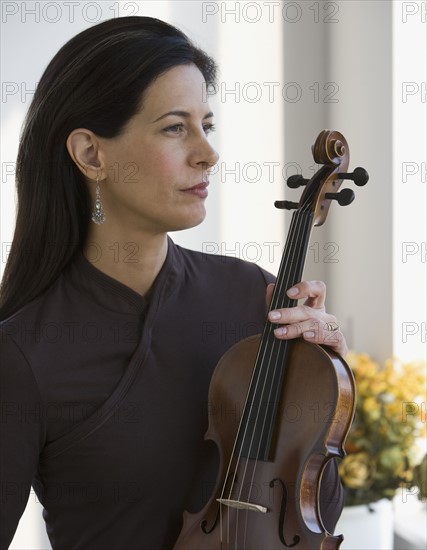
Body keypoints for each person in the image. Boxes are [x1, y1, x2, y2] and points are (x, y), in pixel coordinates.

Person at [0, 16, 347, 550]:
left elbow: (312, 518)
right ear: (92, 154)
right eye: (174, 127)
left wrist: (324, 380)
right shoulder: (22, 352)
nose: (207, 152)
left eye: (208, 125)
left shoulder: (255, 297)